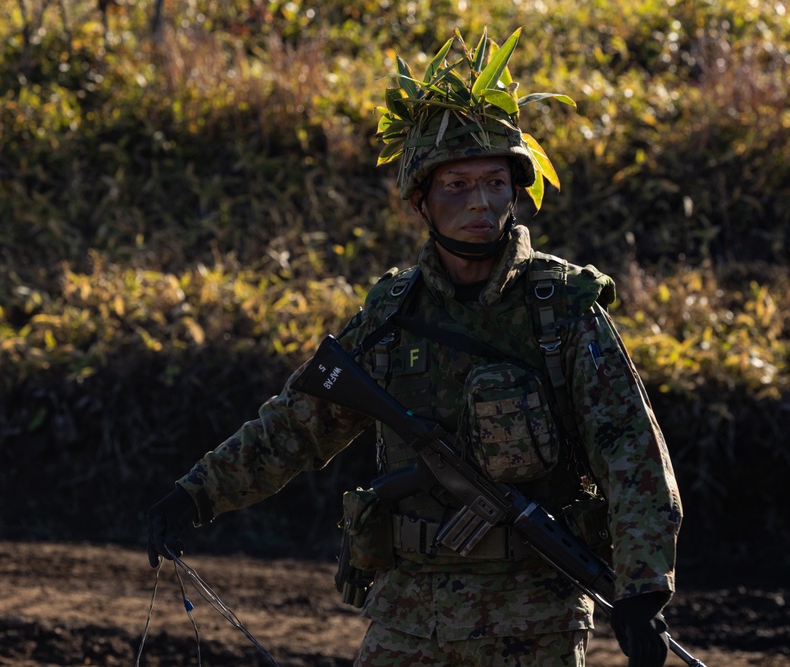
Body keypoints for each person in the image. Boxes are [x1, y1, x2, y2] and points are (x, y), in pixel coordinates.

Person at [147, 27, 683, 667]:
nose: (480, 203)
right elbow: (297, 425)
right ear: (420, 200)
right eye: (456, 186)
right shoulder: (392, 314)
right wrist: (197, 494)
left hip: (533, 618)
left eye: (494, 182)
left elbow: (631, 450)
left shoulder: (562, 309)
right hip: (408, 617)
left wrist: (644, 587)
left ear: (516, 190)